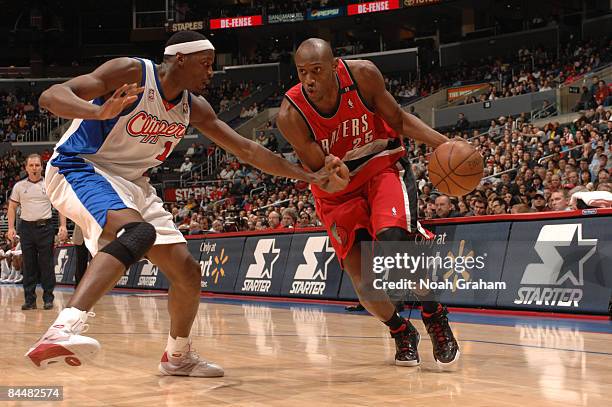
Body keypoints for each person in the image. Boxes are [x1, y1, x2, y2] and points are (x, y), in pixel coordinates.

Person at [25, 31, 343, 374]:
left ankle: (177, 357)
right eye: (205, 64)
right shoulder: (133, 72)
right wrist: (96, 113)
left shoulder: (194, 107)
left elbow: (247, 150)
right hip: (82, 165)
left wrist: (307, 175)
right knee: (135, 233)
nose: (211, 72)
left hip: (133, 184)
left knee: (188, 273)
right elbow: (51, 96)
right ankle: (61, 330)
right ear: (179, 59)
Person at [276, 38, 459, 367]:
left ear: (334, 66)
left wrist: (445, 144)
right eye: (302, 73)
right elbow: (322, 174)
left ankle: (433, 313)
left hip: (382, 167)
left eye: (316, 71)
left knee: (394, 243)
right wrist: (334, 175)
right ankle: (401, 330)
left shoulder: (363, 76)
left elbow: (399, 120)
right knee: (364, 282)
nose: (309, 80)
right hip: (337, 191)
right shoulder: (292, 114)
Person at [8, 154, 67, 310]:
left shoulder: (49, 185)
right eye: (31, 165)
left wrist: (63, 226)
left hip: (45, 229)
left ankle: (48, 298)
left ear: (42, 167)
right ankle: (30, 300)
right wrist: (11, 228)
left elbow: (60, 206)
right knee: (29, 265)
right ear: (26, 168)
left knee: (47, 265)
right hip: (26, 229)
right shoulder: (19, 186)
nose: (34, 168)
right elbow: (12, 207)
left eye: (37, 165)